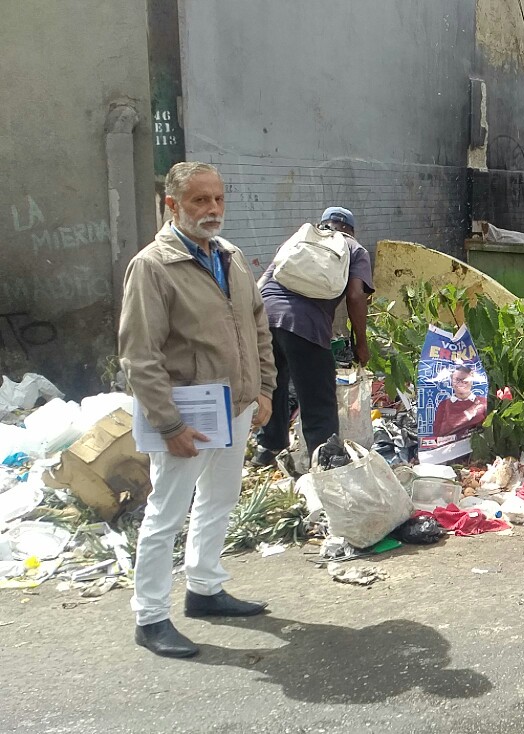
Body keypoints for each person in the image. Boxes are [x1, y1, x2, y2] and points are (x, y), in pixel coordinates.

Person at [118, 162, 277, 658]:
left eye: (218, 200)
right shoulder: (153, 266)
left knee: (219, 499)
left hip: (233, 407)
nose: (212, 210)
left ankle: (204, 588)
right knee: (166, 513)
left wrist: (264, 389)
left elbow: (258, 327)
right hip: (186, 414)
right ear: (172, 206)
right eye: (199, 201)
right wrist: (168, 424)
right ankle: (150, 617)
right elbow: (139, 355)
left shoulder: (229, 257)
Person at [251, 206, 373, 466]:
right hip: (305, 325)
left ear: (323, 225)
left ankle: (267, 450)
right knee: (318, 400)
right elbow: (355, 295)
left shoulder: (299, 239)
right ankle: (326, 463)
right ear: (350, 230)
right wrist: (362, 344)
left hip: (264, 316)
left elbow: (262, 282)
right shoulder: (354, 249)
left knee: (273, 385)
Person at [432, 365, 488, 438]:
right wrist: (468, 413)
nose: (461, 383)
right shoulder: (444, 405)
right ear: (451, 381)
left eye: (464, 380)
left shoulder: (483, 402)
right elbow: (438, 433)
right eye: (457, 380)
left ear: (471, 381)